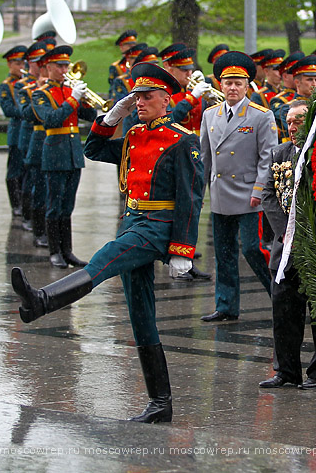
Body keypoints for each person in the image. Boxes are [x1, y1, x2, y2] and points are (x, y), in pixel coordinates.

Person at [12, 62, 204, 423]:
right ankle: (160, 402)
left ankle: (43, 300)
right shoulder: (133, 135)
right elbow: (95, 149)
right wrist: (111, 116)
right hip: (132, 220)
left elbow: (192, 197)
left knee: (102, 260)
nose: (140, 102)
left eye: (146, 97)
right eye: (136, 97)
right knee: (140, 312)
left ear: (166, 99)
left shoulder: (182, 140)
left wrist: (183, 250)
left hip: (156, 225)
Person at [259, 100, 316, 389]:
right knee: (283, 309)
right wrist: (285, 231)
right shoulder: (280, 153)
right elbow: (268, 195)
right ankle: (286, 370)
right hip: (286, 247)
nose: (293, 127)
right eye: (289, 121)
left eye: (299, 120)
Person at [199, 52, 278, 322]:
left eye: (238, 83)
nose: (232, 88)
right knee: (224, 252)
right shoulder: (210, 115)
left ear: (247, 87)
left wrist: (259, 189)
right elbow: (205, 156)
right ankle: (226, 305)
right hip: (221, 194)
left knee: (253, 249)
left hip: (248, 194)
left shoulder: (260, 116)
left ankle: (280, 294)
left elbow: (268, 156)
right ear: (220, 85)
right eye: (228, 82)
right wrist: (200, 191)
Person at [31, 45, 98, 268]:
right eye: (60, 66)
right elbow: (51, 119)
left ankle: (67, 250)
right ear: (48, 67)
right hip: (54, 153)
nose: (64, 69)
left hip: (73, 154)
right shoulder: (41, 94)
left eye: (66, 65)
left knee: (68, 205)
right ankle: (54, 251)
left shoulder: (70, 92)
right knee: (54, 204)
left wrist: (84, 99)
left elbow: (90, 116)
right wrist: (72, 100)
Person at [16, 40, 52, 247]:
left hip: (57, 144)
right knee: (37, 187)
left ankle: (53, 235)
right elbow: (27, 115)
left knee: (52, 192)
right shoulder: (25, 88)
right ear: (31, 63)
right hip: (36, 141)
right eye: (39, 63)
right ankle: (38, 229)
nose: (42, 67)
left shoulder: (54, 87)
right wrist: (39, 92)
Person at [0, 45, 28, 217]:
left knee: (26, 172)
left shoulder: (29, 84)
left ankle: (25, 205)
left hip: (27, 133)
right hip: (17, 132)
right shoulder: (7, 86)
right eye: (17, 64)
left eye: (23, 63)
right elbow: (8, 109)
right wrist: (28, 111)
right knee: (14, 171)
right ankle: (15, 205)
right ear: (10, 65)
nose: (21, 67)